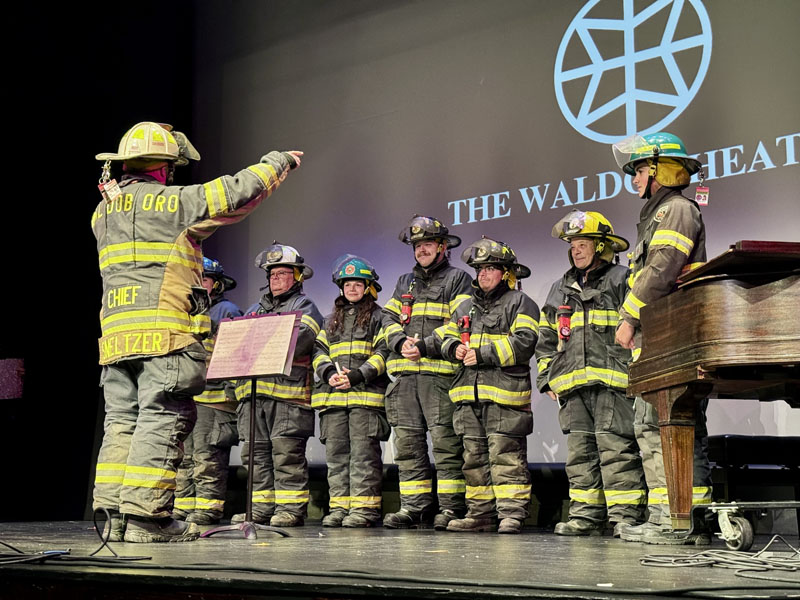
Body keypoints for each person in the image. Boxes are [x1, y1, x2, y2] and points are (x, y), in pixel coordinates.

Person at [92, 121, 302, 543]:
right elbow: (235, 192)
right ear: (165, 167)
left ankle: (113, 518)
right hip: (164, 336)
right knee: (161, 419)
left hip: (115, 339)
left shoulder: (102, 213)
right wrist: (279, 162)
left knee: (122, 424)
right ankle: (148, 521)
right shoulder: (170, 202)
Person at [612, 132, 712, 545]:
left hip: (670, 335)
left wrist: (628, 316)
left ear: (656, 169)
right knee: (658, 425)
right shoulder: (661, 212)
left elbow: (661, 270)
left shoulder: (675, 210)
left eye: (638, 169)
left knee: (663, 424)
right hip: (662, 338)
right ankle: (674, 518)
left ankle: (678, 521)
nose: (634, 178)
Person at [535, 211, 646, 537]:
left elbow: (640, 329)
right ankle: (585, 517)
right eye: (573, 245)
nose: (576, 251)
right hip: (573, 390)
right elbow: (545, 338)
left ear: (601, 247)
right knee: (580, 458)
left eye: (583, 244)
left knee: (617, 452)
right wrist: (547, 379)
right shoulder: (560, 289)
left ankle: (625, 517)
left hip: (613, 385)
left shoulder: (623, 280)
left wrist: (635, 372)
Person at [434, 237, 539, 534]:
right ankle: (480, 514)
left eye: (490, 268)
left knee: (505, 455)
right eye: (479, 269)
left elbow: (524, 343)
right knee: (474, 458)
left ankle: (511, 514)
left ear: (506, 273)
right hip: (468, 396)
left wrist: (481, 355)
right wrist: (452, 348)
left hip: (504, 395)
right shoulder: (466, 306)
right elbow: (445, 336)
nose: (482, 274)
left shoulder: (521, 303)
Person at [381, 215, 472, 529]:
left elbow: (461, 320)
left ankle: (451, 508)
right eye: (417, 245)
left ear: (442, 247)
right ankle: (414, 507)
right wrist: (399, 341)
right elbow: (387, 319)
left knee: (446, 445)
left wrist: (427, 345)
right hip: (405, 377)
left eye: (428, 244)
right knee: (407, 447)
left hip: (439, 376)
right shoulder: (404, 282)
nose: (422, 250)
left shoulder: (458, 278)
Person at [233, 243, 323, 527]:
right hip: (253, 396)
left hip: (288, 397)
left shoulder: (305, 307)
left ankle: (290, 509)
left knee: (286, 457)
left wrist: (259, 339)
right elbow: (237, 346)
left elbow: (299, 341)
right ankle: (259, 509)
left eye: (283, 273)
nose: (276, 278)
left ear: (297, 277)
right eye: (272, 274)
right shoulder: (253, 309)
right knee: (255, 457)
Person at [312, 255, 391, 527]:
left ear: (368, 287)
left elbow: (384, 353)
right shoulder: (329, 320)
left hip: (365, 400)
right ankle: (339, 508)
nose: (352, 289)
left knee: (363, 457)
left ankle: (364, 510)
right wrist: (330, 374)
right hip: (333, 400)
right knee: (336, 457)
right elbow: (318, 351)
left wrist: (357, 376)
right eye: (347, 285)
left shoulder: (380, 317)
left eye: (358, 284)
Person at [174, 257, 243, 525]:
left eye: (204, 279)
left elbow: (235, 357)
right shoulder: (184, 310)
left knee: (207, 456)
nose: (198, 284)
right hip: (188, 396)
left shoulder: (227, 311)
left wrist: (231, 396)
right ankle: (183, 504)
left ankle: (208, 507)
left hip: (214, 400)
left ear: (216, 284)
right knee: (185, 456)